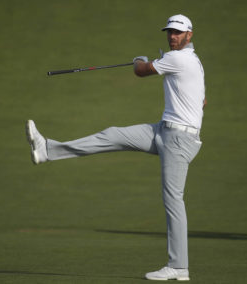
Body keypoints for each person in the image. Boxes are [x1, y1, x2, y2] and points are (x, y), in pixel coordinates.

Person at [26, 14, 205, 280]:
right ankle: (47, 151)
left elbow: (141, 71)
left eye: (178, 32)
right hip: (163, 131)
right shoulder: (190, 61)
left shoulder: (179, 58)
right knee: (113, 135)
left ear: (189, 35)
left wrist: (139, 61)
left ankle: (179, 267)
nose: (172, 36)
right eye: (169, 32)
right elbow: (201, 102)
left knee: (172, 199)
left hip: (179, 140)